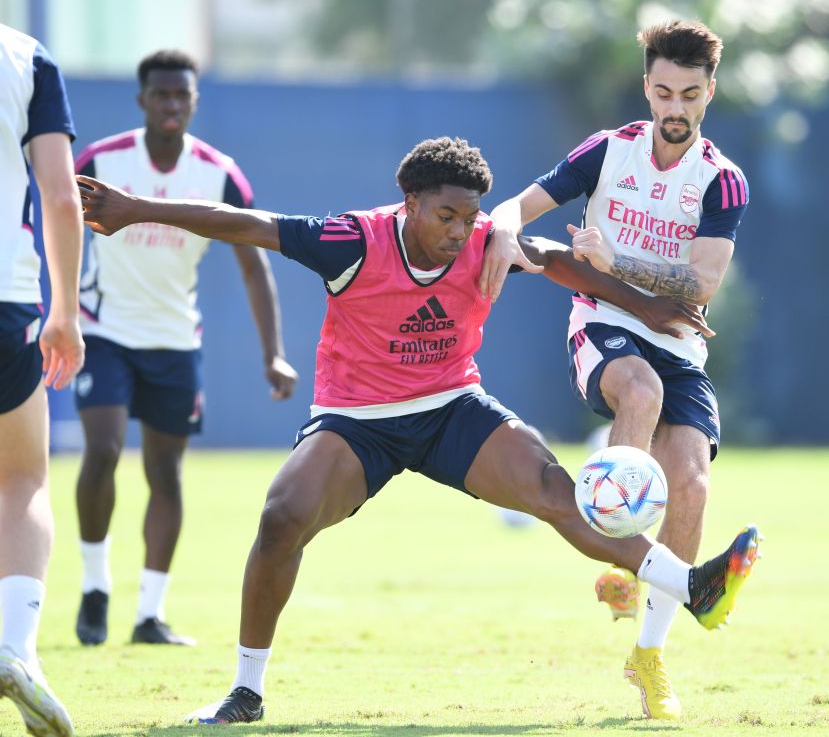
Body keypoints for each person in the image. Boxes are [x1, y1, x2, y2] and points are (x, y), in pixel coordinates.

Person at [76, 136, 759, 726]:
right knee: (282, 518)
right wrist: (135, 209)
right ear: (407, 201)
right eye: (446, 215)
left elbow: (559, 262)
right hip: (357, 421)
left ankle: (692, 587)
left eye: (470, 217)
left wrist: (652, 307)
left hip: (451, 409)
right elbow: (242, 220)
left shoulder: (488, 243)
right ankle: (246, 691)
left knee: (557, 492)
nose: (460, 232)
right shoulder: (350, 240)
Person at [481, 20, 750, 720]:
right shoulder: (608, 152)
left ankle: (649, 653)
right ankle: (621, 548)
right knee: (641, 388)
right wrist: (505, 226)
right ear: (647, 88)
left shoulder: (722, 180)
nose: (675, 108)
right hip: (602, 325)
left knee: (691, 484)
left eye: (690, 95)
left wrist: (615, 260)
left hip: (680, 340)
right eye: (663, 92)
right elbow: (523, 202)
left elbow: (700, 285)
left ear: (708, 94)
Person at [72, 50, 298, 648]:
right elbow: (59, 230)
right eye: (161, 94)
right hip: (103, 332)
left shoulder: (219, 174)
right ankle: (95, 586)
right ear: (142, 100)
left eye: (183, 96)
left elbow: (255, 267)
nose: (172, 104)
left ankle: (150, 612)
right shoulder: (100, 162)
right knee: (102, 448)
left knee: (165, 472)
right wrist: (60, 314)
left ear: (194, 102)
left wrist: (273, 351)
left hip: (175, 342)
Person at [0, 23, 82, 737]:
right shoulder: (25, 55)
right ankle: (15, 647)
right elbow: (60, 195)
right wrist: (65, 311)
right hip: (6, 299)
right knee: (20, 479)